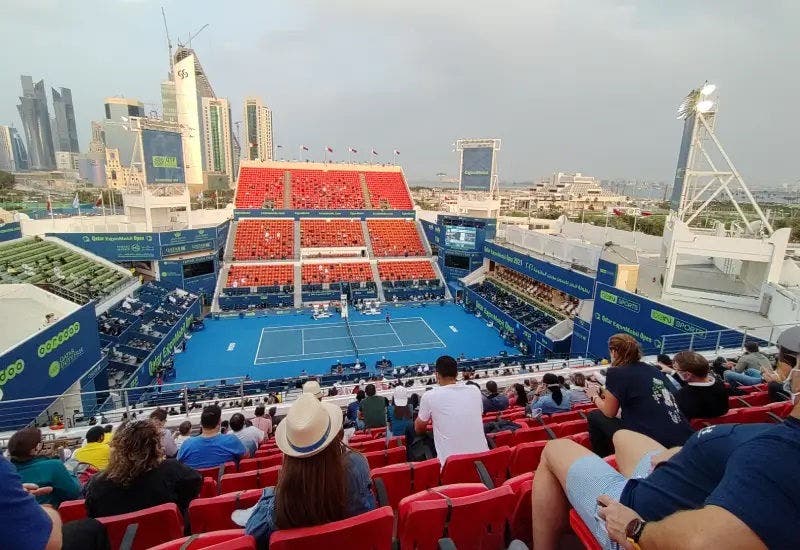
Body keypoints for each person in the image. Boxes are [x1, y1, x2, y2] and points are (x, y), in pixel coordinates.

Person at [532, 366, 800, 550]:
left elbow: (704, 542)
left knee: (555, 449)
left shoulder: (779, 454)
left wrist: (636, 530)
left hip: (636, 513)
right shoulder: (781, 443)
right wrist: (687, 454)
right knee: (623, 436)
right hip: (680, 480)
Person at [235, 394, 376, 545]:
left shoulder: (280, 503)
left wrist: (270, 495)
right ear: (336, 436)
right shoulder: (357, 464)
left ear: (289, 455)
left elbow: (251, 537)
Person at [586, 334, 692, 456]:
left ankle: (604, 459)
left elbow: (609, 412)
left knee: (594, 416)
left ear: (614, 352)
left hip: (653, 441)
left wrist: (594, 396)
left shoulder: (615, 373)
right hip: (683, 436)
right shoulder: (653, 369)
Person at [85, 420, 202, 518]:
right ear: (155, 446)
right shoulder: (171, 470)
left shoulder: (97, 484)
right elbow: (195, 485)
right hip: (169, 541)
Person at [415, 355, 488, 466]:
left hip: (453, 467)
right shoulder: (475, 390)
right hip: (485, 463)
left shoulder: (429, 396)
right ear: (457, 374)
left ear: (437, 375)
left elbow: (418, 428)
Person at [8, 427, 81, 507]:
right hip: (51, 515)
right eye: (42, 443)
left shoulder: (6, 472)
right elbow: (74, 493)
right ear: (35, 448)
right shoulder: (54, 465)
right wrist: (70, 473)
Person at [177, 404, 247, 469]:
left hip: (195, 481)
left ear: (201, 423)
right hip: (224, 480)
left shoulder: (187, 444)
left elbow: (178, 463)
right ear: (219, 422)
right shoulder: (231, 439)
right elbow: (245, 456)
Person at [672, 351, 729, 420]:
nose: (676, 371)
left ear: (688, 375)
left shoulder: (680, 396)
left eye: (677, 369)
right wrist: (673, 372)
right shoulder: (720, 385)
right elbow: (698, 387)